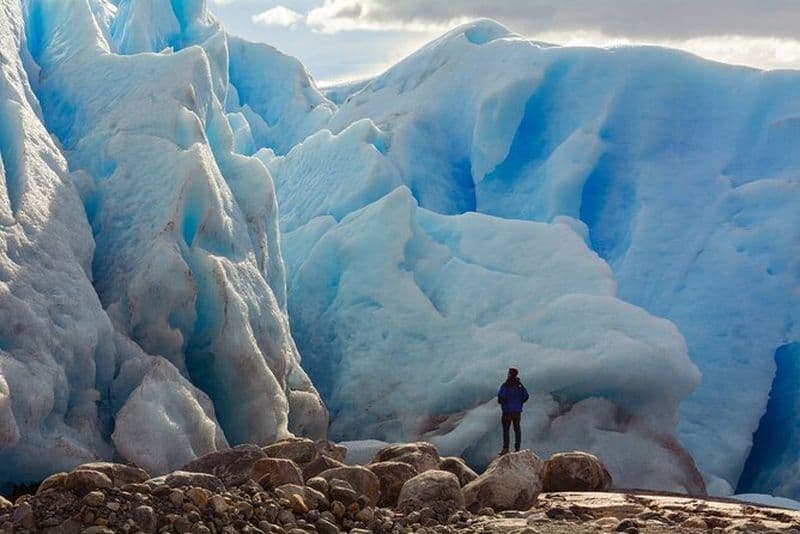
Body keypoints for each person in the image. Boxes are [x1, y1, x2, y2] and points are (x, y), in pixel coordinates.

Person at [497, 367, 529, 454]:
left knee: (506, 430)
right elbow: (526, 396)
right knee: (517, 429)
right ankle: (517, 448)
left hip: (507, 411)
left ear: (510, 374)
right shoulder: (520, 386)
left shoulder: (506, 385)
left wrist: (504, 403)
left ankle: (505, 448)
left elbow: (501, 396)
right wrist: (519, 403)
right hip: (517, 411)